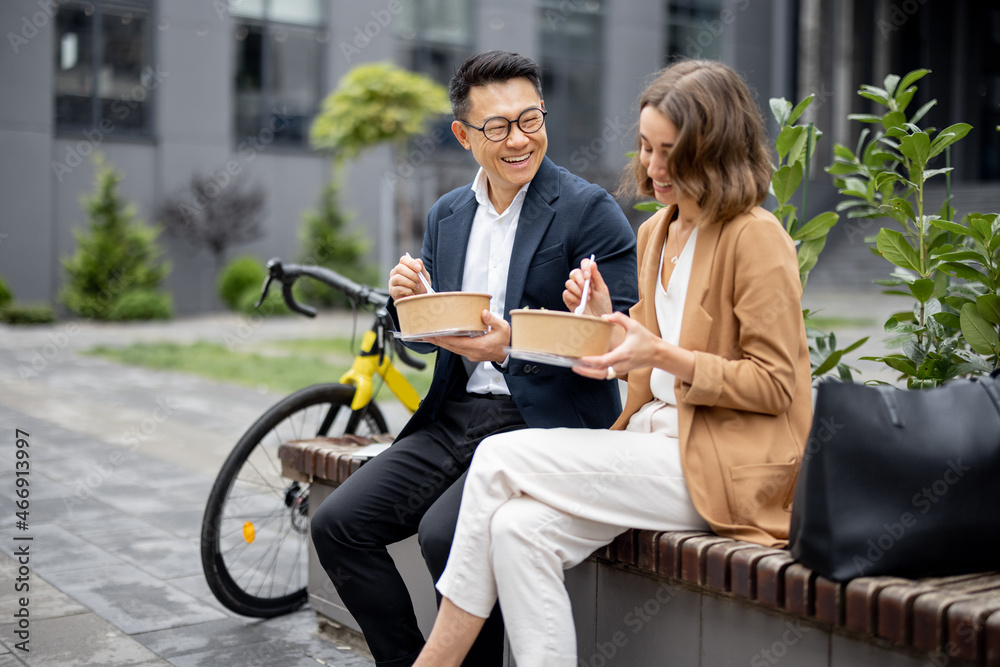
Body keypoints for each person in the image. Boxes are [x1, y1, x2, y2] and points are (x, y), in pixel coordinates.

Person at [411, 59, 814, 667]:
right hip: (652, 447)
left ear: (716, 150)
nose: (652, 169)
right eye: (646, 148)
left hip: (721, 465)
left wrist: (664, 355)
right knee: (517, 531)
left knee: (497, 459)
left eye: (670, 152)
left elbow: (777, 385)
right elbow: (636, 365)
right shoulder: (658, 233)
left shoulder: (754, 237)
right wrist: (606, 325)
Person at [310, 50, 638, 667]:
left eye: (530, 119)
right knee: (338, 525)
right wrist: (411, 304)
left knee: (446, 534)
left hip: (543, 420)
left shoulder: (587, 209)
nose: (519, 140)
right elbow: (432, 334)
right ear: (463, 135)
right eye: (497, 127)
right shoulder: (448, 215)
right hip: (455, 416)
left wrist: (515, 341)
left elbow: (623, 340)